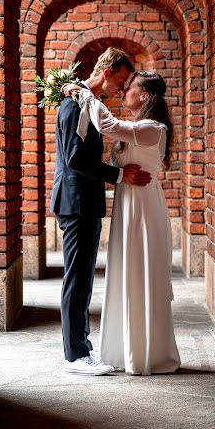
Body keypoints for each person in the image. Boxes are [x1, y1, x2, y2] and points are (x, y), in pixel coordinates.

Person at [63, 70, 180, 375]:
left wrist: (82, 93)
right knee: (125, 274)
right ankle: (123, 350)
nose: (123, 91)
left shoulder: (153, 128)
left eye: (130, 88)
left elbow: (107, 125)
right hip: (126, 206)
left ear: (143, 96)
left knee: (142, 273)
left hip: (143, 208)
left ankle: (147, 353)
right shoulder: (137, 127)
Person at [51, 48, 152, 375]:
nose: (122, 89)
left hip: (86, 202)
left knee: (82, 279)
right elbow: (74, 160)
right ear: (106, 72)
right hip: (76, 202)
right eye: (121, 81)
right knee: (77, 279)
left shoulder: (89, 103)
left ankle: (82, 348)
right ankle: (75, 356)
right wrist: (120, 175)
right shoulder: (77, 104)